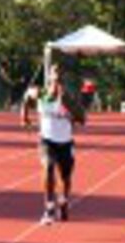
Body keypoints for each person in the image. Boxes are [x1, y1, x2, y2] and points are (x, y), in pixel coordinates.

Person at [21, 63, 85, 225]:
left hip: (65, 142)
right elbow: (26, 98)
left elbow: (82, 119)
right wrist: (24, 116)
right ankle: (49, 208)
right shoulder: (40, 93)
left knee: (66, 178)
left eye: (59, 76)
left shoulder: (69, 97)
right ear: (49, 77)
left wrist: (70, 109)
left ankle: (63, 201)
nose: (56, 78)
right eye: (53, 75)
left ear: (63, 79)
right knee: (48, 167)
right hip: (46, 140)